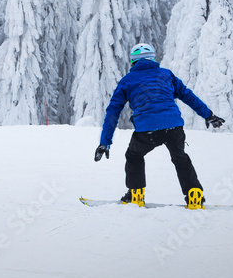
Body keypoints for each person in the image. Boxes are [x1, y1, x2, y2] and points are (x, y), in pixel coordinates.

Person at [94, 43, 225, 210]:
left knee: (134, 156)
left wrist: (105, 142)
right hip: (174, 127)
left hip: (147, 130)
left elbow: (113, 111)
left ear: (133, 62)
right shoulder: (166, 75)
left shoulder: (127, 81)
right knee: (180, 158)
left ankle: (136, 195)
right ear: (152, 58)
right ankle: (194, 196)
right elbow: (188, 96)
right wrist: (208, 115)